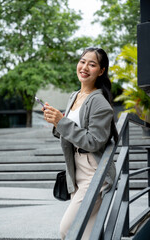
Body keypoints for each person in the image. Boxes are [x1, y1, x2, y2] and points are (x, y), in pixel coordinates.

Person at [42, 47, 118, 239]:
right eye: (82, 61)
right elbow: (72, 132)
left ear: (101, 71)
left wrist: (62, 122)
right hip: (76, 168)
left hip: (94, 170)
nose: (84, 67)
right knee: (87, 234)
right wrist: (56, 122)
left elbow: (93, 141)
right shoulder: (74, 96)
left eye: (92, 64)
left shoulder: (99, 102)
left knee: (68, 229)